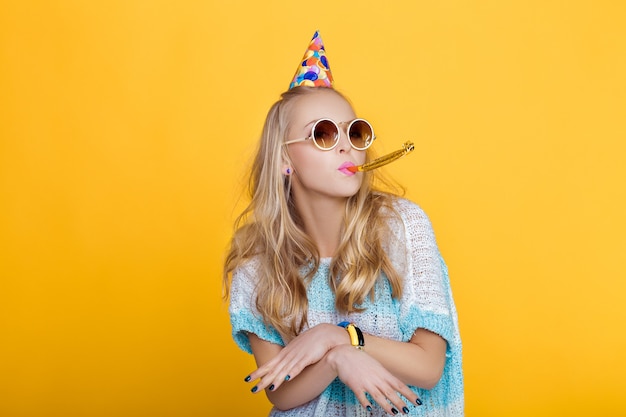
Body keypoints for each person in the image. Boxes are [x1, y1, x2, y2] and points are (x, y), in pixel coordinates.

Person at [223, 31, 463, 417]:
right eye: (322, 133)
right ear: (285, 161)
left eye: (354, 131)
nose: (346, 145)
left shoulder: (402, 227)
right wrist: (338, 360)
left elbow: (429, 367)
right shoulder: (256, 261)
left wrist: (338, 337)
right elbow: (281, 395)